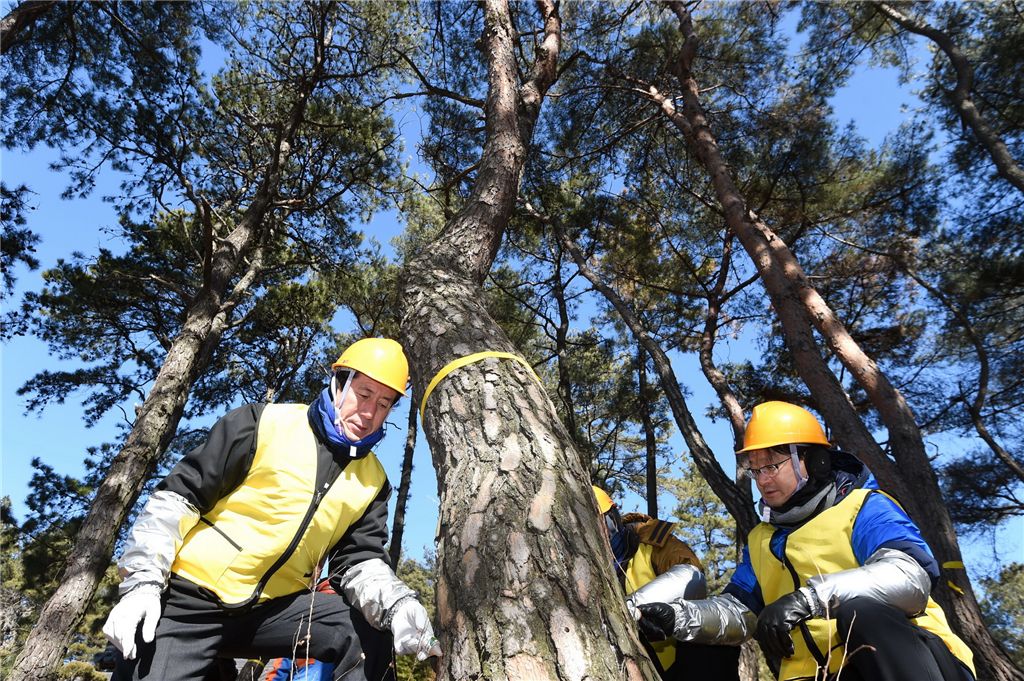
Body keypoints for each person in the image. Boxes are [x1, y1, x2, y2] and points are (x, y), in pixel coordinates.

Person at [102, 338, 441, 681]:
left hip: (274, 612)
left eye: (384, 404)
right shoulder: (262, 423)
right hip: (189, 601)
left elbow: (359, 562)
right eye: (364, 394)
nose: (370, 413)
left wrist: (397, 604)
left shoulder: (373, 481)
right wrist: (143, 583)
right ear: (339, 382)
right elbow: (176, 500)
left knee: (367, 630)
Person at [631, 401, 976, 681]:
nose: (762, 479)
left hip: (918, 662)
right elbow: (738, 613)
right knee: (704, 643)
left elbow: (910, 577)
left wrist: (809, 598)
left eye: (772, 465)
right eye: (755, 469)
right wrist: (679, 616)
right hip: (819, 675)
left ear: (814, 460)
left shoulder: (865, 507)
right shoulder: (761, 540)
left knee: (863, 610)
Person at [592, 486, 741, 681]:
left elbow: (692, 576)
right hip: (635, 667)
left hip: (684, 659)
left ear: (613, 520)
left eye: (601, 523)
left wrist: (631, 608)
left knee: (713, 650)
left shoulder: (651, 543)